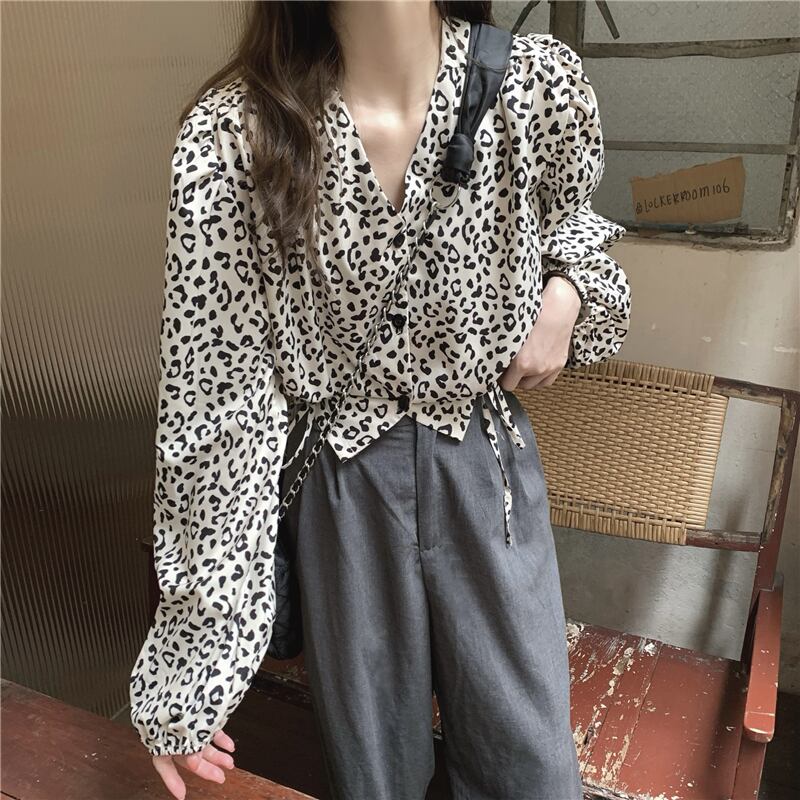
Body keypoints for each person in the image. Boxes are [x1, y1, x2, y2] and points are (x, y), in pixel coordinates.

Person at [129, 2, 632, 799]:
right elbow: (217, 404)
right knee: (373, 773)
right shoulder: (239, 134)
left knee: (529, 767)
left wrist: (567, 293)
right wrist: (191, 673)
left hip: (484, 466)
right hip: (345, 484)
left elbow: (577, 224)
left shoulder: (531, 86)